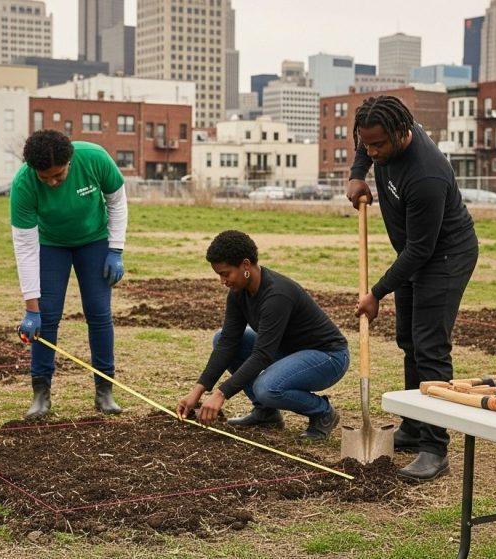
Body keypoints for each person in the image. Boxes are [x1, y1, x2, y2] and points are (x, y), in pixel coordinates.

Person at [346, 95, 479, 482]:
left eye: (378, 145)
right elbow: (363, 144)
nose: (372, 151)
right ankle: (415, 423)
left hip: (445, 257)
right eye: (366, 144)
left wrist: (377, 292)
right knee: (408, 340)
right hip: (413, 254)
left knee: (430, 345)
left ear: (402, 132)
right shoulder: (379, 132)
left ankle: (435, 449)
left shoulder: (427, 174)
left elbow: (422, 249)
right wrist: (358, 172)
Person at [175, 230, 350, 440]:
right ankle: (265, 413)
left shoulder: (277, 295)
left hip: (327, 357)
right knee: (220, 338)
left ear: (246, 265)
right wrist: (197, 391)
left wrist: (221, 394)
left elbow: (263, 355)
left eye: (225, 273)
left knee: (267, 387)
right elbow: (228, 344)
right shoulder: (238, 294)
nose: (222, 281)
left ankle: (323, 412)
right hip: (288, 351)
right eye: (219, 275)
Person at [11, 130, 128, 419]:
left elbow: (116, 201)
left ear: (70, 162)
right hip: (51, 245)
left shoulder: (95, 158)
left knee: (99, 313)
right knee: (47, 316)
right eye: (45, 177)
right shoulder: (23, 184)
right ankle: (41, 393)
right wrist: (30, 307)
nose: (52, 183)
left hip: (95, 241)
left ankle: (105, 390)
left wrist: (115, 249)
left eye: (58, 176)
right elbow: (25, 248)